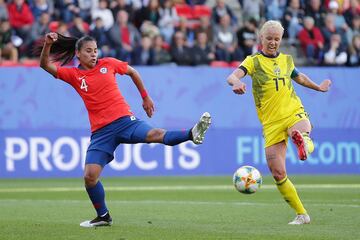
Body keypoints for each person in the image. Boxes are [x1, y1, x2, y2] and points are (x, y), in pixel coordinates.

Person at [36, 32, 211, 228]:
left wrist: (145, 97)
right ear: (78, 53)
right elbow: (45, 65)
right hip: (101, 133)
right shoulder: (74, 75)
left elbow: (133, 72)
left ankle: (192, 133)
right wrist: (48, 45)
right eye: (88, 51)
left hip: (125, 121)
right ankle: (103, 216)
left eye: (95, 50)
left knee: (155, 134)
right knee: (89, 176)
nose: (94, 54)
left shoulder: (108, 63)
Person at [226, 20, 331, 225]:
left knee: (301, 132)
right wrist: (237, 82)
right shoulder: (253, 61)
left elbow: (299, 78)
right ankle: (302, 214)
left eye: (277, 39)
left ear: (281, 40)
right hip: (271, 123)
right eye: (269, 38)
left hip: (292, 111)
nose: (273, 42)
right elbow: (232, 75)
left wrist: (318, 87)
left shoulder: (287, 60)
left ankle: (303, 143)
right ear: (261, 38)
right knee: (278, 173)